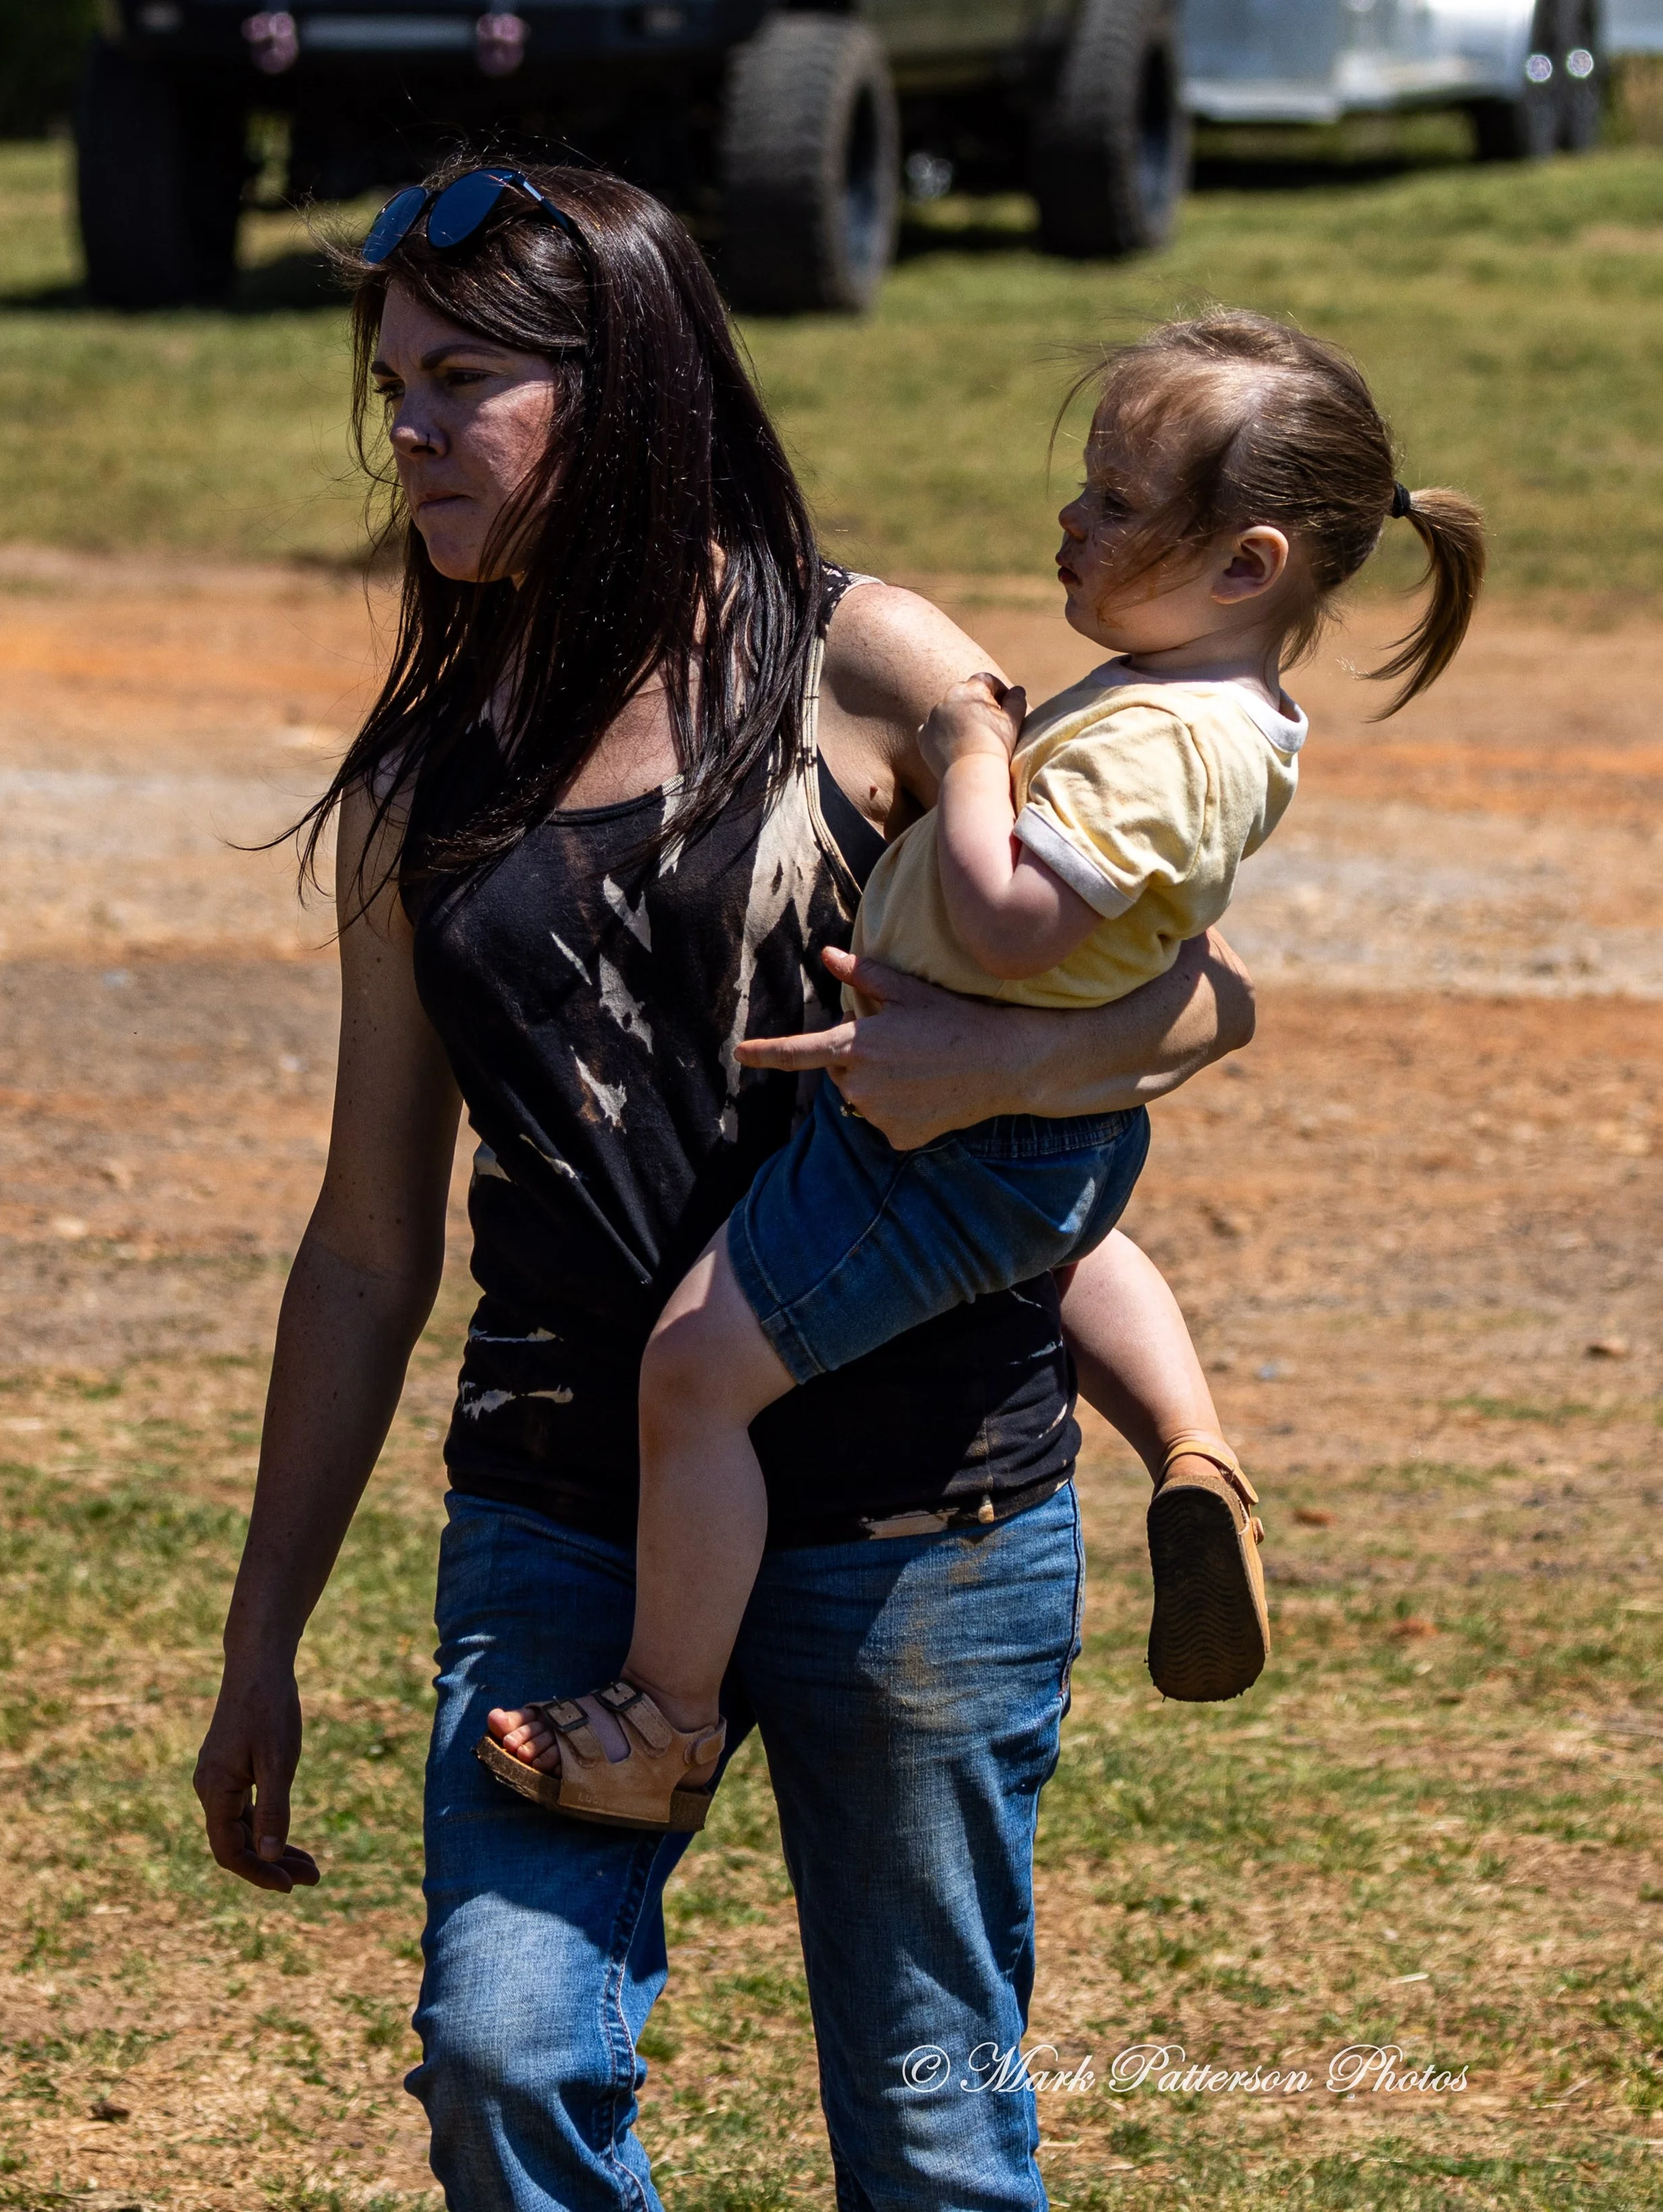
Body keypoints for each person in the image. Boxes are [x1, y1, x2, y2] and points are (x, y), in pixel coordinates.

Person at [191, 158, 1257, 2212]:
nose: (403, 425)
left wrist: (1006, 1056)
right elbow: (363, 1245)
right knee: (504, 2061)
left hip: (918, 1508)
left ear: (627, 396)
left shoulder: (871, 671)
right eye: (390, 378)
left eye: (464, 380)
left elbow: (1201, 997)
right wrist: (262, 1635)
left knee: (934, 2135)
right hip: (561, 1503)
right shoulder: (426, 777)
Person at [484, 308, 1487, 1829]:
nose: (1069, 520)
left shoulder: (1166, 738)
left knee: (693, 1376)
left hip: (944, 1137)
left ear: (1247, 564)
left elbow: (1013, 919)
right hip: (1037, 1132)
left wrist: (968, 762)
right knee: (1071, 1235)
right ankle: (1193, 1449)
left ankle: (661, 1719)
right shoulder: (1210, 702)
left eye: (1118, 502)